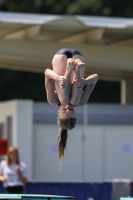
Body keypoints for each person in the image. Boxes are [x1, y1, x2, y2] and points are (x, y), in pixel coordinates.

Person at [45, 48, 98, 160]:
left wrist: (58, 78)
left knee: (64, 100)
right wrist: (85, 82)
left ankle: (70, 71)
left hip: (60, 57)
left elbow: (47, 73)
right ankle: (77, 72)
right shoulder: (80, 101)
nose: (69, 107)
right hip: (77, 58)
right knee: (75, 101)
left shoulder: (53, 100)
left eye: (65, 110)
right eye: (72, 110)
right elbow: (95, 77)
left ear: (58, 112)